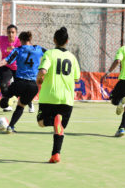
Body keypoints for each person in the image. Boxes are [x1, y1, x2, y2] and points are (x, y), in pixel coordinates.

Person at [0, 31, 46, 134]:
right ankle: (11, 127)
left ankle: (11, 99)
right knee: (21, 106)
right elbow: (51, 54)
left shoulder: (18, 50)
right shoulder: (38, 49)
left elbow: (6, 61)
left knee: (3, 103)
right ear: (30, 40)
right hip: (33, 86)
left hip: (20, 83)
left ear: (20, 40)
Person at [36, 27, 80, 163]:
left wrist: (39, 79)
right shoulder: (72, 57)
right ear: (67, 41)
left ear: (54, 40)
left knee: (41, 122)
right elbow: (77, 78)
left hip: (49, 96)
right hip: (66, 98)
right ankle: (56, 154)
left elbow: (43, 71)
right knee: (59, 127)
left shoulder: (49, 54)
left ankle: (53, 120)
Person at [0, 24, 35, 113]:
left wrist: (16, 49)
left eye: (13, 32)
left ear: (16, 33)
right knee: (3, 85)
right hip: (5, 66)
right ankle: (7, 104)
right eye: (9, 32)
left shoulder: (19, 42)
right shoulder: (1, 39)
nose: (10, 34)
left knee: (22, 87)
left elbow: (28, 49)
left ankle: (29, 102)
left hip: (18, 67)